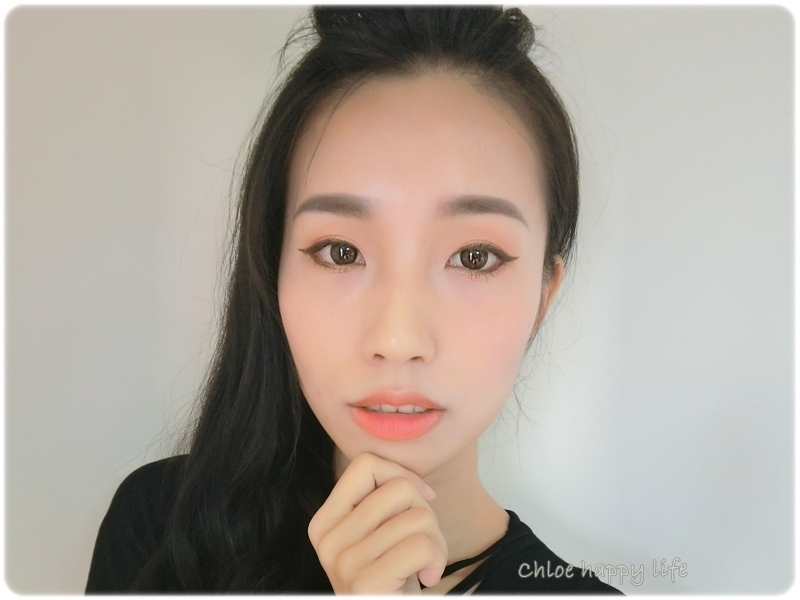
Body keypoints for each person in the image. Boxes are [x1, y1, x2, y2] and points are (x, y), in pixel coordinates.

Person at [85, 6, 621, 594]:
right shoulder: (163, 530)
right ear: (272, 269)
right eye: (340, 252)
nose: (397, 340)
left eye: (474, 257)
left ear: (543, 296)